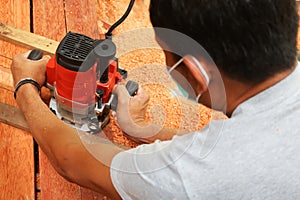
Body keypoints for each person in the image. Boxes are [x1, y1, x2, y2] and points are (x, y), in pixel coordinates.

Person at [11, 0, 300, 199]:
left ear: (197, 74)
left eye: (168, 59)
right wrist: (144, 129)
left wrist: (25, 84)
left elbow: (72, 162)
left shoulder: (194, 180)